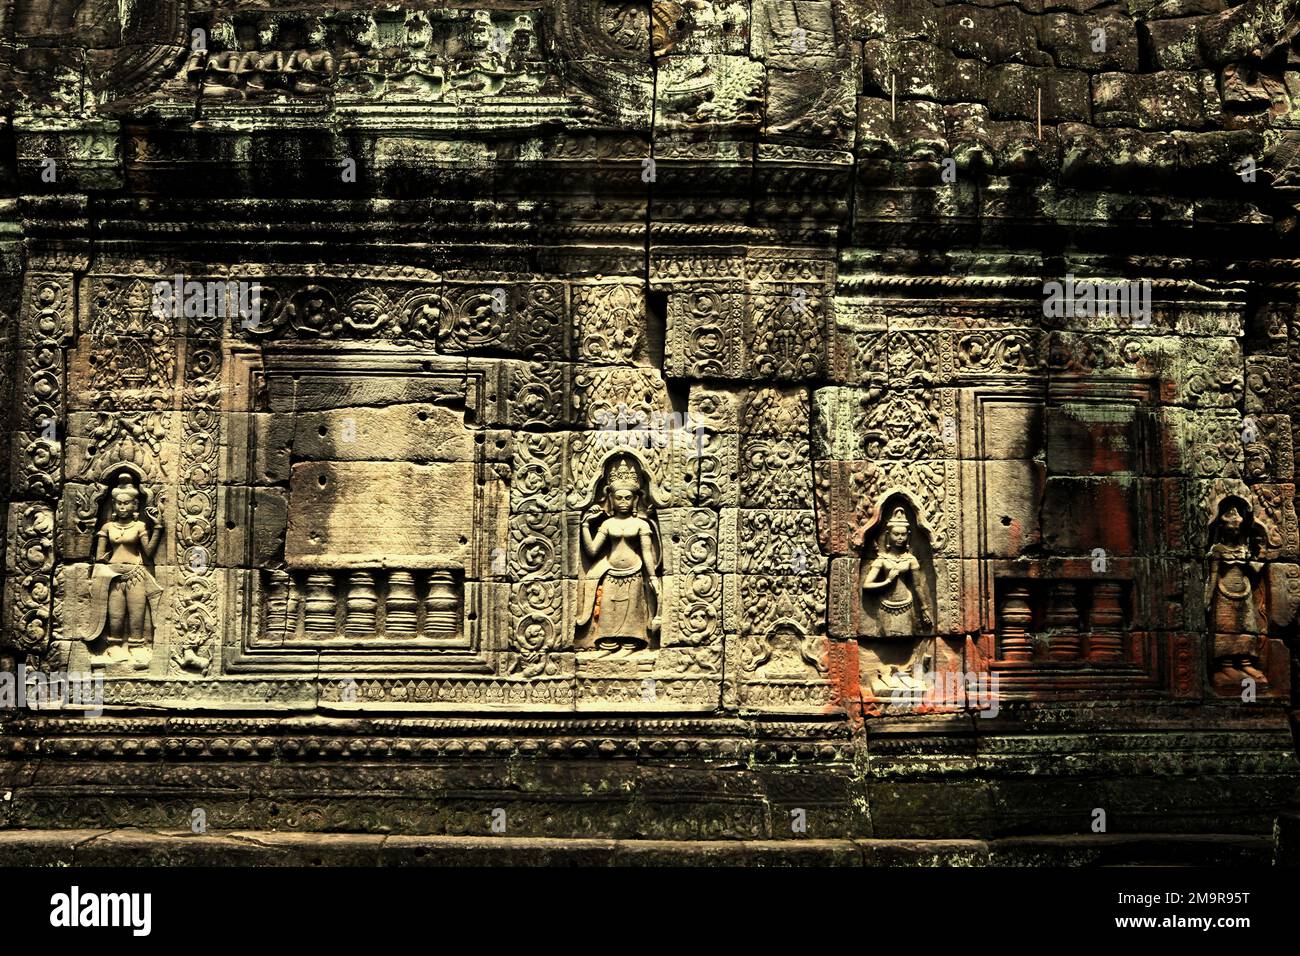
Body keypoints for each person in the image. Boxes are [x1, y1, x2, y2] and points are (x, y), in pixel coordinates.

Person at [576, 456, 661, 655]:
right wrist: (585, 525)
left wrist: (654, 578)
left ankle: (631, 645)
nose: (623, 502)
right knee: (608, 610)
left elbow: (647, 553)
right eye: (619, 498)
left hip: (635, 571)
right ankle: (608, 644)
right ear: (611, 499)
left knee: (632, 610)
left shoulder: (641, 524)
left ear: (635, 499)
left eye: (628, 498)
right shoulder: (607, 524)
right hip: (610, 572)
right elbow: (592, 551)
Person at [85, 479, 163, 669]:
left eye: (126, 503)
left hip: (135, 574)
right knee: (116, 616)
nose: (122, 507)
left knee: (136, 615)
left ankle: (137, 646)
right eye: (119, 503)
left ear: (135, 505)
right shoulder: (107, 528)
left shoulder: (139, 527)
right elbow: (99, 557)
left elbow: (149, 553)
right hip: (112, 577)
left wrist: (158, 527)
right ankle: (114, 646)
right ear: (113, 505)